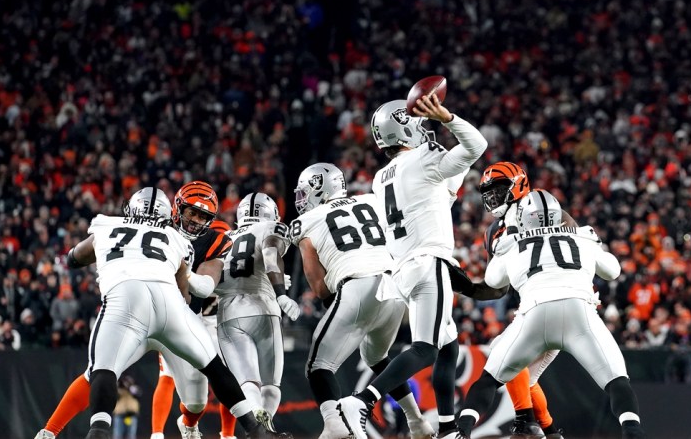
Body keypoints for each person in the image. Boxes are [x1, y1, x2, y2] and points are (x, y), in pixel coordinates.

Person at [45, 187, 290, 439]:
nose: (195, 221)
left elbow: (73, 257)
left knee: (104, 372)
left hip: (128, 309)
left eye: (203, 216)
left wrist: (62, 262)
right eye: (191, 212)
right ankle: (248, 431)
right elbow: (189, 292)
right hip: (172, 310)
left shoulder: (107, 227)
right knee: (213, 368)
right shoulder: (177, 240)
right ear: (174, 210)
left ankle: (90, 430)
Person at [337, 93, 489, 439]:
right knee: (426, 348)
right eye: (419, 125)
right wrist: (449, 118)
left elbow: (442, 187)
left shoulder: (381, 177)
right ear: (406, 131)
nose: (425, 131)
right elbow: (477, 145)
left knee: (449, 347)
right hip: (427, 263)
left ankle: (449, 429)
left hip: (404, 269)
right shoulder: (424, 158)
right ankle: (363, 400)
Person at [455, 190, 645, 439]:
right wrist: (594, 244)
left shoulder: (513, 243)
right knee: (617, 381)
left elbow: (492, 279)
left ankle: (463, 430)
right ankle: (632, 430)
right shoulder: (582, 236)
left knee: (490, 379)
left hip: (534, 314)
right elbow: (613, 271)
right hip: (580, 314)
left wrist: (507, 251)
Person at [290, 163, 434, 439]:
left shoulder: (308, 221)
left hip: (357, 284)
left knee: (318, 366)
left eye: (305, 191)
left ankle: (335, 425)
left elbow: (316, 281)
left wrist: (330, 300)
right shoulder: (372, 201)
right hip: (394, 286)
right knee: (377, 356)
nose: (302, 199)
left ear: (320, 188)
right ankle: (416, 421)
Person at [478, 162, 568, 438]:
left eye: (500, 189)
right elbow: (498, 274)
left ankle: (526, 422)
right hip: (543, 304)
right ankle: (549, 431)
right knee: (523, 377)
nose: (493, 197)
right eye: (489, 191)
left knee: (505, 355)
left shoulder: (544, 209)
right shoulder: (496, 228)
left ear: (519, 185)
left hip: (552, 301)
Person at [215, 192, 300, 430]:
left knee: (247, 382)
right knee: (271, 385)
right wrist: (281, 291)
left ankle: (257, 427)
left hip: (228, 312)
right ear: (270, 213)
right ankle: (266, 427)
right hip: (264, 306)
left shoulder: (223, 237)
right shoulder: (270, 227)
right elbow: (270, 255)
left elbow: (212, 280)